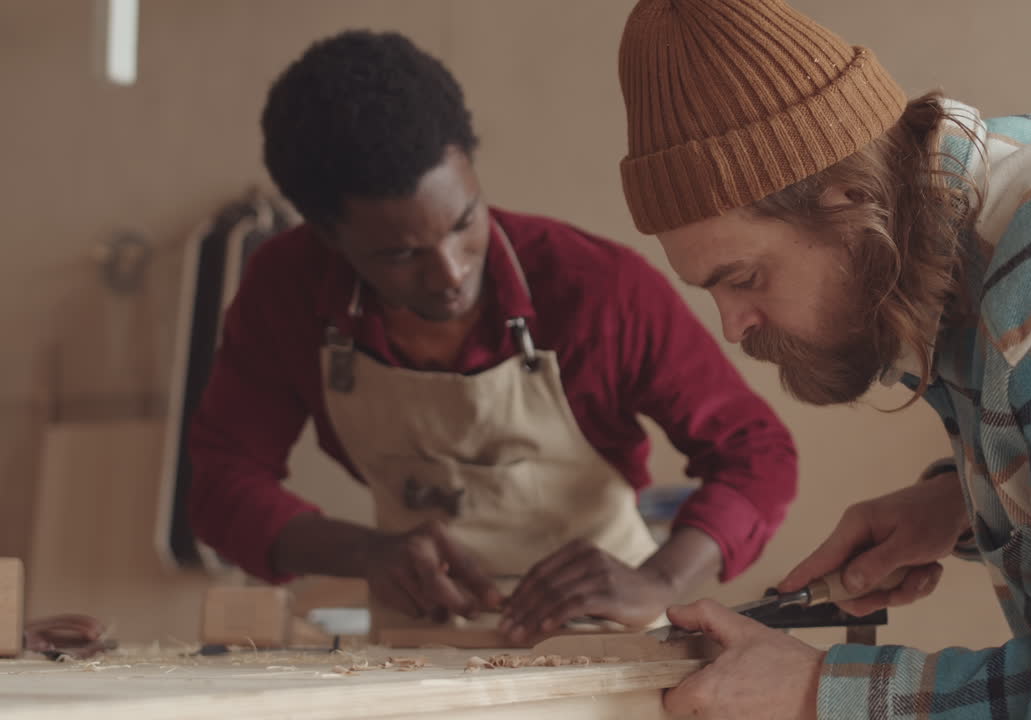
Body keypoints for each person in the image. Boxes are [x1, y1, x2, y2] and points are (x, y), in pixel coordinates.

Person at [615, 0, 1031, 717]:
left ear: (850, 201)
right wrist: (967, 499)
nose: (732, 326)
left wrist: (820, 691)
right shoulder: (987, 209)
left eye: (743, 278)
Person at [186, 29, 797, 643]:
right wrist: (367, 553)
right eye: (400, 254)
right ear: (330, 237)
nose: (451, 272)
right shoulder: (288, 289)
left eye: (464, 220)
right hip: (413, 645)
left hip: (604, 637)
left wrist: (661, 580)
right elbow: (220, 483)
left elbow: (758, 456)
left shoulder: (595, 288)